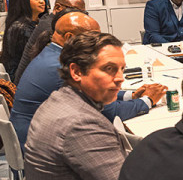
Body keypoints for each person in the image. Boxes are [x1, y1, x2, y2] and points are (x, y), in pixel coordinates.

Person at [23, 31, 130, 180]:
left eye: (122, 69)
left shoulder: (60, 101)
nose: (120, 78)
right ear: (76, 71)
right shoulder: (80, 125)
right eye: (110, 69)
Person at [10, 11, 166, 150]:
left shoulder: (51, 53)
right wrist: (148, 100)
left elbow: (96, 92)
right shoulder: (62, 67)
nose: (99, 43)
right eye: (93, 38)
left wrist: (130, 96)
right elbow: (110, 112)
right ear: (70, 38)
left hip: (31, 136)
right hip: (40, 147)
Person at [16, 0, 84, 83]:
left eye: (84, 13)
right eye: (76, 11)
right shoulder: (51, 27)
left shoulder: (48, 20)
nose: (80, 17)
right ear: (58, 7)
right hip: (33, 82)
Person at [1, 0, 46, 77]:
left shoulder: (40, 21)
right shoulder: (20, 27)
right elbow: (33, 58)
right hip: (23, 76)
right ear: (22, 2)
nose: (42, 1)